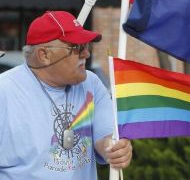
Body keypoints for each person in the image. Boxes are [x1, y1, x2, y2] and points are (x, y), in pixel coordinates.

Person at [0, 11, 133, 179]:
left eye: (87, 46)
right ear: (44, 55)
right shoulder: (5, 91)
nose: (87, 54)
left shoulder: (92, 84)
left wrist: (115, 148)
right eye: (77, 48)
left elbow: (106, 138)